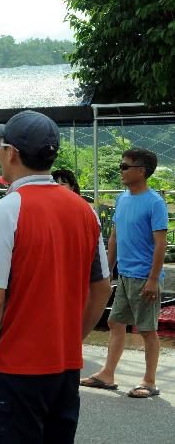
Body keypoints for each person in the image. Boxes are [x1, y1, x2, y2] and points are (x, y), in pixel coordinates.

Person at [0, 110, 111, 443]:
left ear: (10, 153)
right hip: (65, 366)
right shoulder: (83, 210)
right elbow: (101, 287)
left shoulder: (5, 211)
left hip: (16, 369)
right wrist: (73, 338)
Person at [80, 148, 168, 398]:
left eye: (125, 166)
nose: (120, 170)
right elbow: (115, 238)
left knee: (147, 329)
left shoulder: (155, 202)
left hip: (144, 277)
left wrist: (153, 279)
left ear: (141, 171)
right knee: (115, 322)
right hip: (125, 274)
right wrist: (106, 273)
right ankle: (107, 374)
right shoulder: (122, 198)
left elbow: (160, 244)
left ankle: (149, 381)